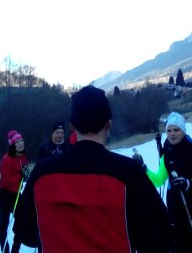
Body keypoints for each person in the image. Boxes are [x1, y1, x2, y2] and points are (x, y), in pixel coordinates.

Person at [13, 85, 172, 252]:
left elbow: (26, 233)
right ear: (109, 123)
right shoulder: (128, 172)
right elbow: (160, 237)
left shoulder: (42, 172)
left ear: (72, 126)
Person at [133, 111, 192, 253]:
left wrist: (189, 183)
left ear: (183, 130)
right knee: (179, 246)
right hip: (177, 207)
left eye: (176, 130)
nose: (172, 134)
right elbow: (159, 180)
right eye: (169, 130)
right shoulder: (167, 154)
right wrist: (143, 168)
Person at [0, 130, 29, 253]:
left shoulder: (23, 156)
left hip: (16, 194)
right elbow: (6, 181)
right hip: (4, 194)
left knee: (21, 221)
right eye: (17, 141)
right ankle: (5, 250)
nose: (20, 143)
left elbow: (23, 175)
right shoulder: (7, 159)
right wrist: (20, 175)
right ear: (12, 144)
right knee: (4, 223)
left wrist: (25, 175)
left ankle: (15, 249)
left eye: (21, 140)